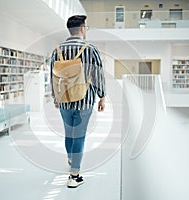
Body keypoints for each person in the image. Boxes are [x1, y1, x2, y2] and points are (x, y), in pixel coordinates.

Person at [50, 15, 106, 188]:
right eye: (86, 28)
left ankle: (70, 158)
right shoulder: (91, 48)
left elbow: (52, 77)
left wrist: (55, 97)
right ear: (82, 29)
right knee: (79, 135)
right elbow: (98, 74)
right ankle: (74, 176)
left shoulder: (57, 50)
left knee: (69, 132)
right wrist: (102, 95)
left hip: (64, 100)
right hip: (85, 100)